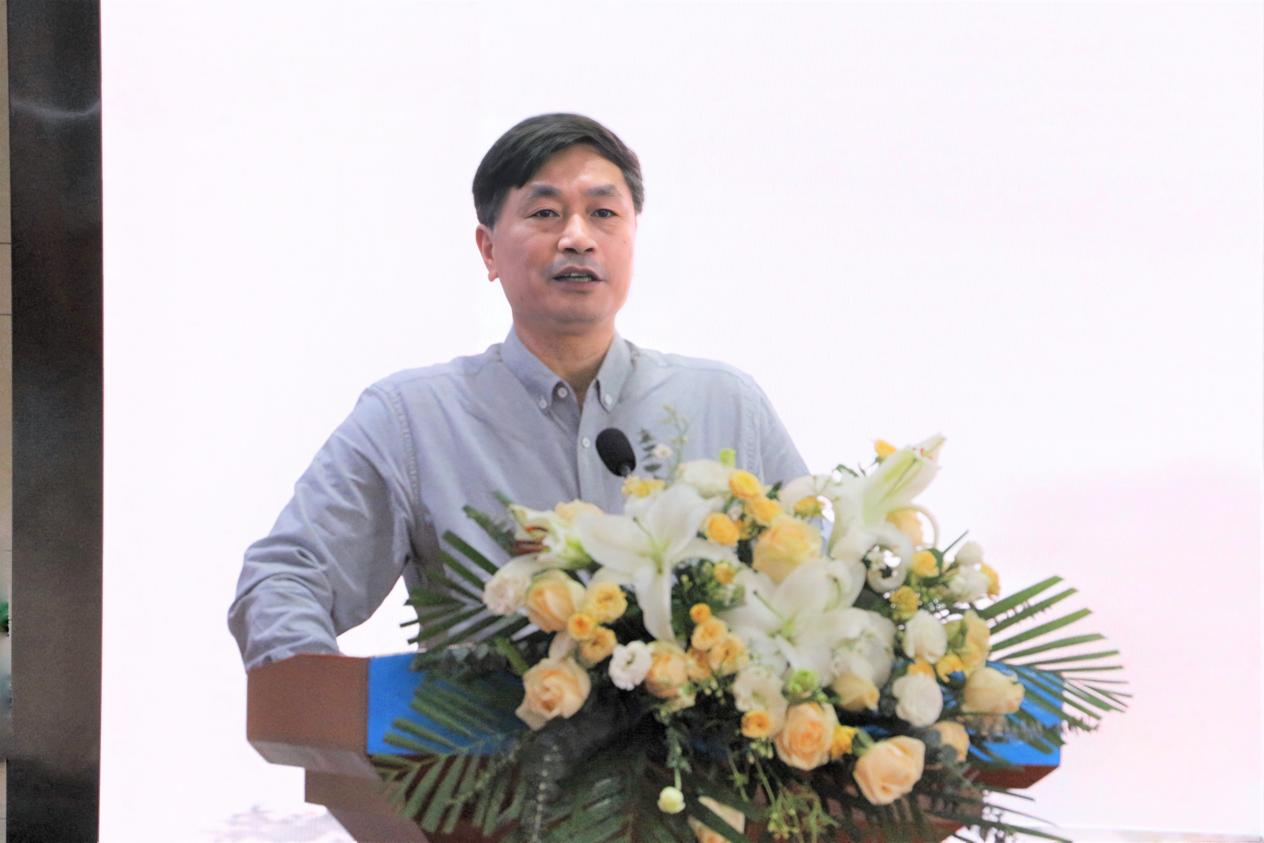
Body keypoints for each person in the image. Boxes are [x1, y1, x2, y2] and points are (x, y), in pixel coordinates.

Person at [228, 113, 808, 671]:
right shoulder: (414, 420)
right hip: (479, 742)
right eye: (546, 213)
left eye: (604, 213)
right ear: (488, 250)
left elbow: (822, 586)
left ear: (633, 237)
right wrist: (332, 711)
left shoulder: (726, 406)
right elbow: (282, 583)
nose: (578, 238)